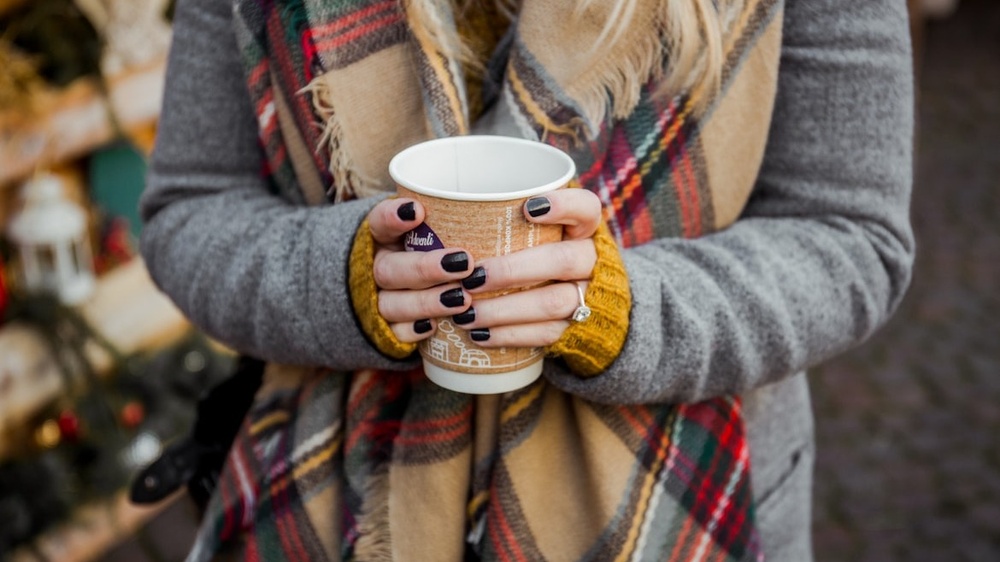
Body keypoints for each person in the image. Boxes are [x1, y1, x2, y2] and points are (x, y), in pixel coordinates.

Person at [139, 0, 915, 560]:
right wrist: (341, 281)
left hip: (679, 505)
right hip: (329, 510)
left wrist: (623, 312)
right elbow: (189, 209)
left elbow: (851, 235)